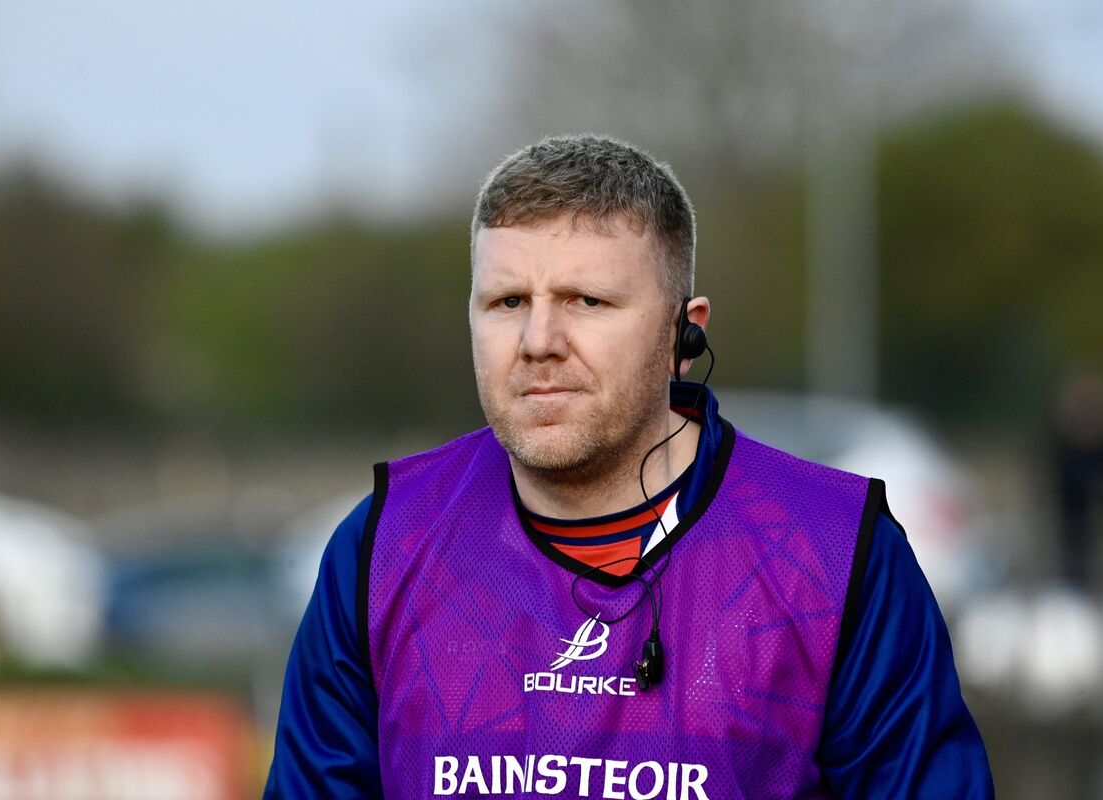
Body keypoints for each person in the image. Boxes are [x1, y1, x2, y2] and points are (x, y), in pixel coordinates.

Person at [265, 135, 993, 798]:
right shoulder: (385, 545)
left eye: (587, 300)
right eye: (507, 300)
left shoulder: (835, 552)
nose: (537, 339)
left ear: (686, 332)